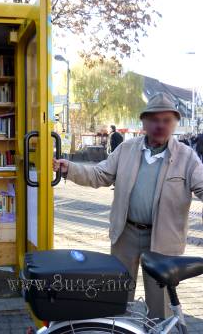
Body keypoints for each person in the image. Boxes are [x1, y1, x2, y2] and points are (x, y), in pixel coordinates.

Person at [53, 92, 203, 321]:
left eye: (166, 120)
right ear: (144, 122)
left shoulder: (187, 157)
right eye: (154, 120)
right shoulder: (127, 149)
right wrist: (69, 169)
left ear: (174, 123)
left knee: (160, 303)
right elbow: (100, 174)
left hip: (163, 240)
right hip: (126, 233)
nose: (160, 125)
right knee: (119, 297)